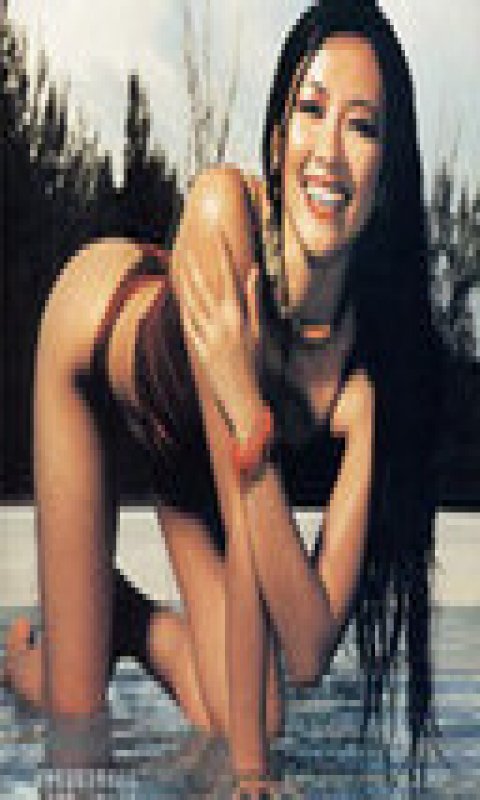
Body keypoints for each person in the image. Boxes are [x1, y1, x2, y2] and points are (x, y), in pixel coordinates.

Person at [2, 0, 442, 795]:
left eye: (362, 126)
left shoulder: (365, 385)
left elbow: (308, 647)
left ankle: (120, 614)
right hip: (92, 355)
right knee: (77, 734)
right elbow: (247, 523)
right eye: (311, 111)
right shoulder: (220, 211)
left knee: (260, 713)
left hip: (201, 455)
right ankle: (45, 644)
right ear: (276, 142)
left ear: (387, 176)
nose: (329, 153)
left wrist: (243, 395)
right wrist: (250, 780)